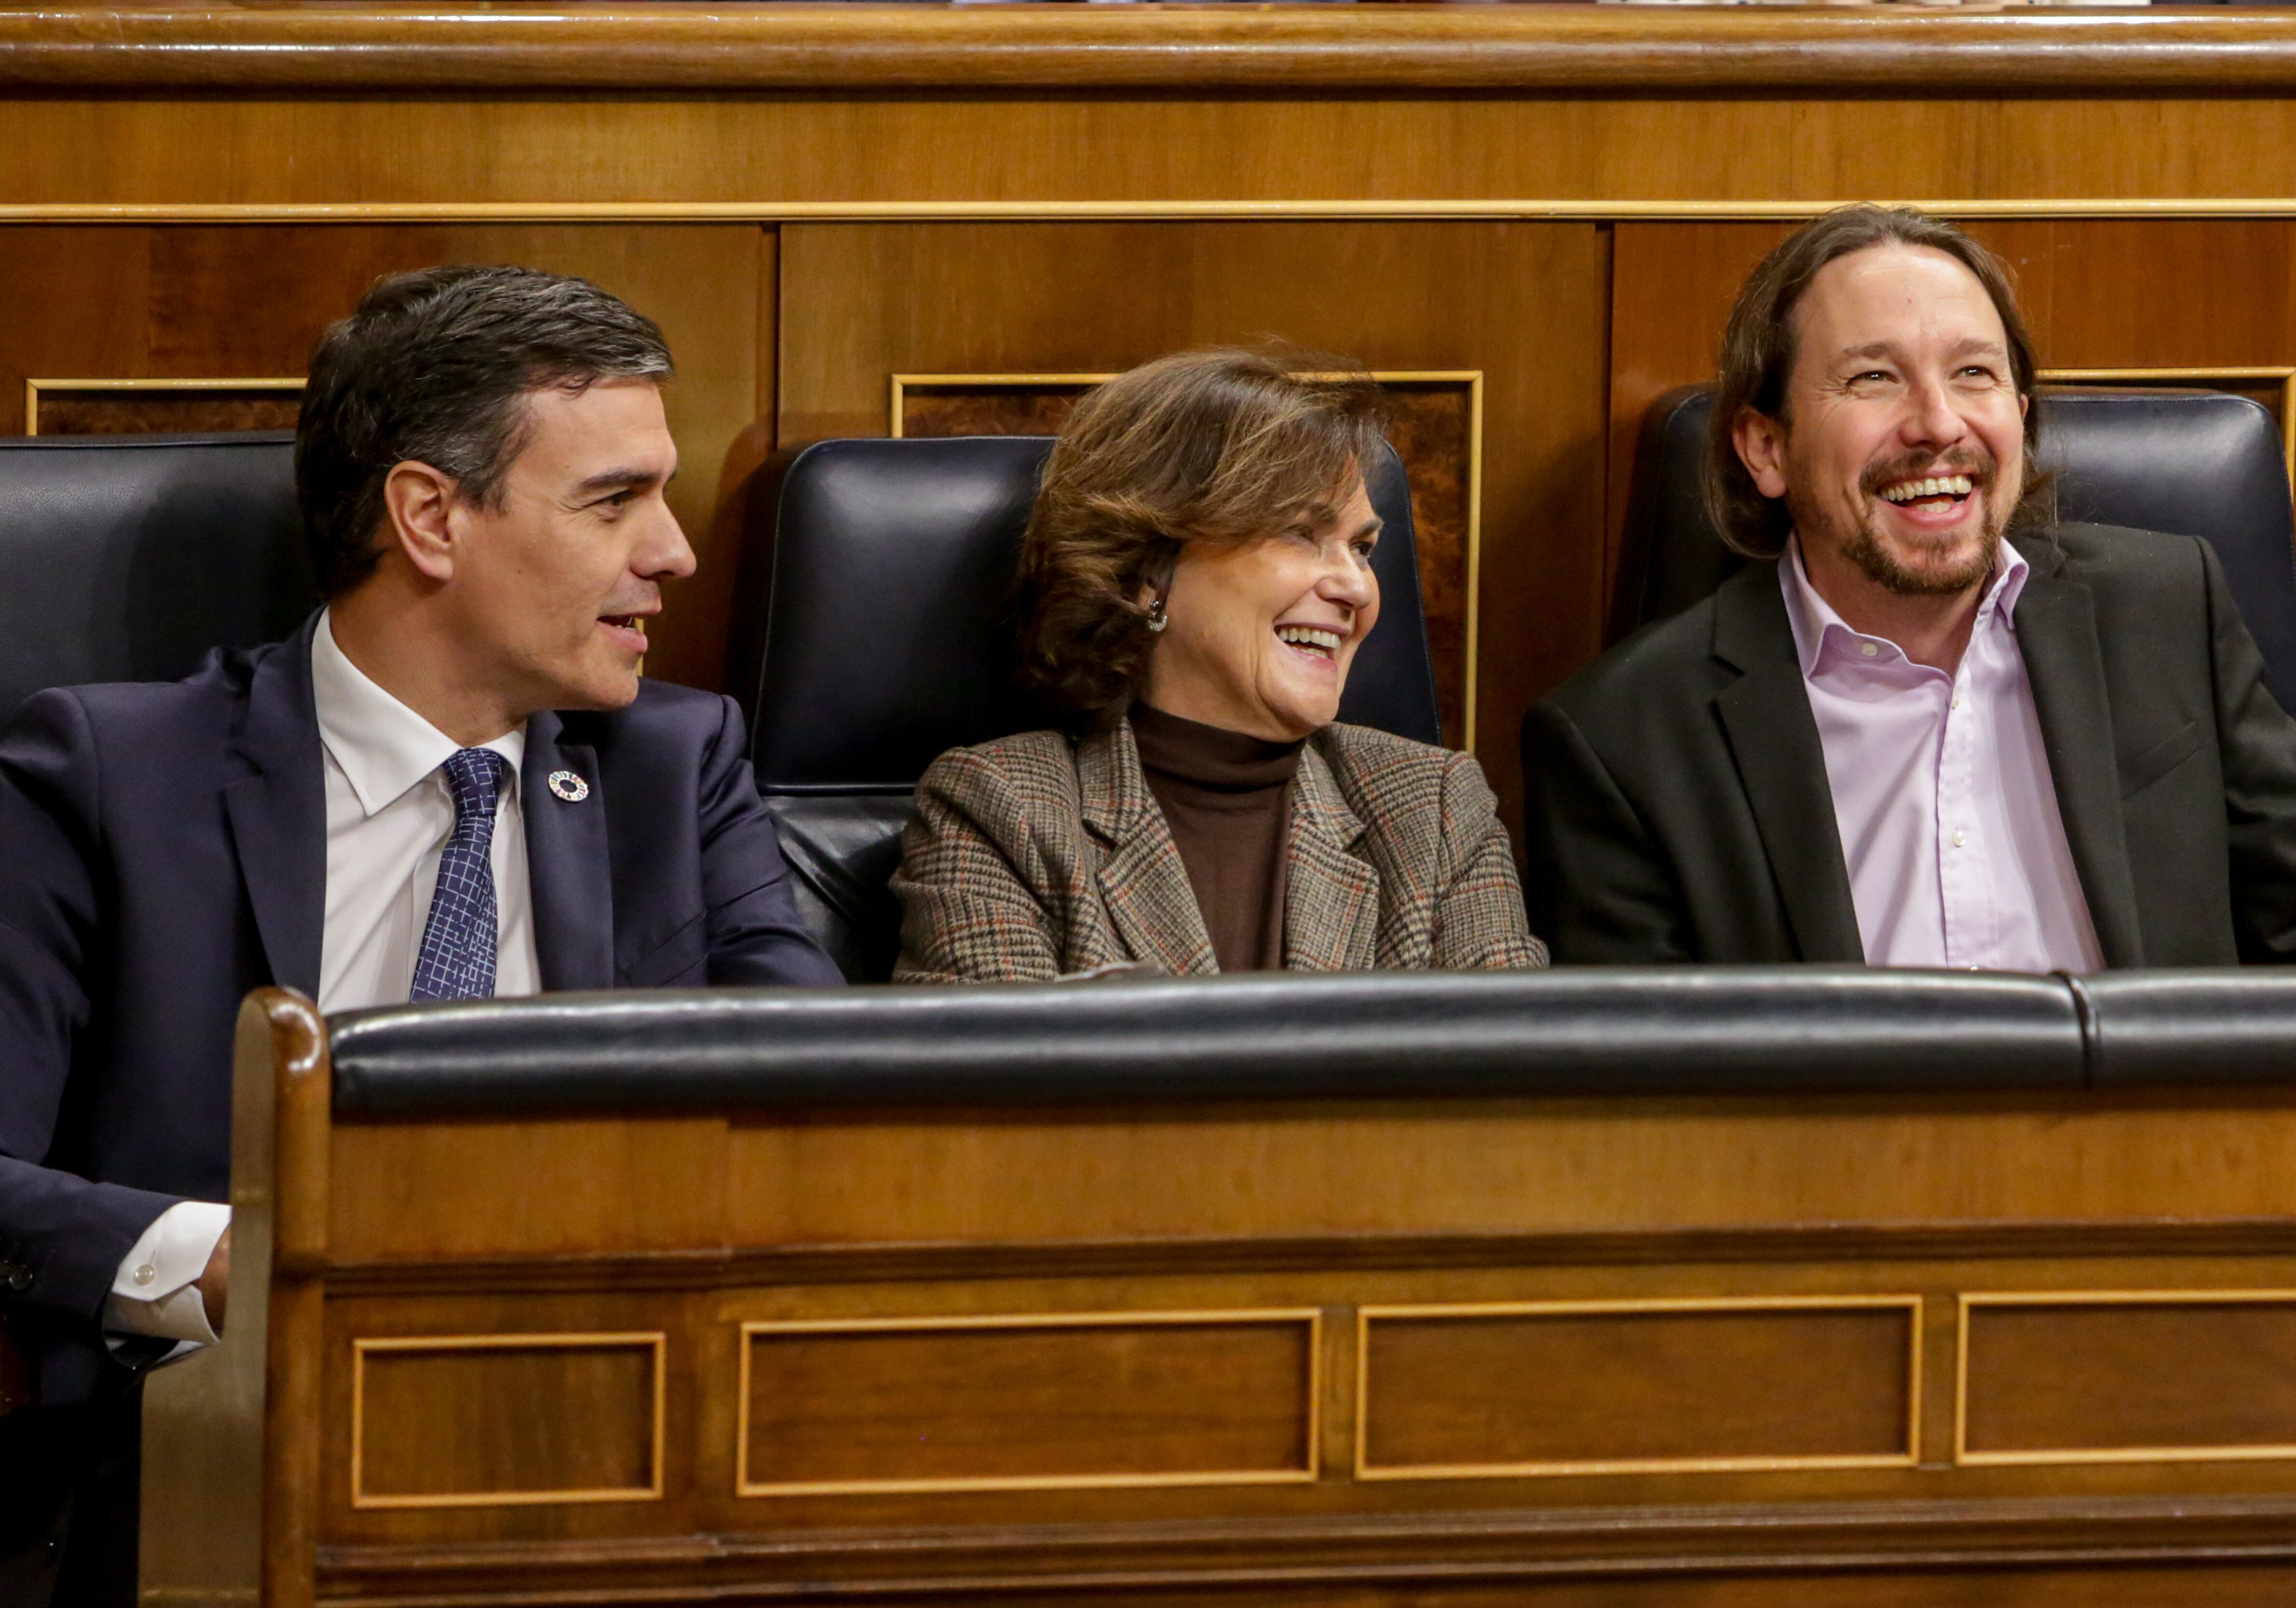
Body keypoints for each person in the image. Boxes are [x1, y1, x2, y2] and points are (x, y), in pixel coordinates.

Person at [0, 265, 840, 1603]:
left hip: (613, 1460)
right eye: (615, 499)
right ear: (430, 516)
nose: (675, 551)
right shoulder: (112, 774)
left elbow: (817, 1105)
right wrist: (244, 1261)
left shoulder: (676, 767)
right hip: (215, 1464)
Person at [1524, 204, 2296, 969]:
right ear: (1766, 448)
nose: (1939, 424)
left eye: (1975, 373)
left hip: (2168, 1159)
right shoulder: (1625, 740)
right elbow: (1640, 1107)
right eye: (1873, 378)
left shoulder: (2168, 612)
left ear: (2020, 418)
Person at [892, 349, 1545, 982]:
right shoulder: (1004, 810)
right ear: (1148, 571)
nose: (1358, 588)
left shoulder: (1435, 812)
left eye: (1363, 548)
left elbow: (1518, 1083)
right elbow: (997, 1087)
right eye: (1299, 533)